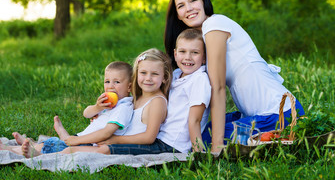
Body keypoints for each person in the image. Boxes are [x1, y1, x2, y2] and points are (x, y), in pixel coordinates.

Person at [164, 0, 305, 152]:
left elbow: (218, 87)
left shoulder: (215, 24)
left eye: (193, 0)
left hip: (279, 113)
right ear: (178, 15)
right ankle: (265, 137)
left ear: (203, 2)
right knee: (203, 129)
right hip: (257, 114)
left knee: (206, 137)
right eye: (181, 5)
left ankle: (280, 136)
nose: (189, 8)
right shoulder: (200, 43)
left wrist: (217, 148)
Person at [1, 61, 134, 157]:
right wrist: (97, 107)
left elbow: (106, 133)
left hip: (88, 144)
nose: (110, 86)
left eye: (117, 82)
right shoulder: (108, 103)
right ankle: (26, 144)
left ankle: (14, 150)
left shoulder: (123, 108)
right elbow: (86, 114)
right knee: (56, 143)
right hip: (82, 139)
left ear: (129, 87)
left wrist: (77, 140)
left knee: (53, 146)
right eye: (107, 81)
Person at [62, 48, 175, 155]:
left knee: (71, 151)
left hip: (126, 144)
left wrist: (116, 140)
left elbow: (149, 137)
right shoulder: (136, 98)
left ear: (164, 77)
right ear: (136, 74)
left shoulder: (157, 102)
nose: (148, 78)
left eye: (154, 74)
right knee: (67, 148)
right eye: (143, 73)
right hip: (115, 141)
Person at [157, 28, 211, 153]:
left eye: (195, 53)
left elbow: (195, 120)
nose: (188, 57)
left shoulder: (199, 79)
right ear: (175, 55)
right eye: (182, 51)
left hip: (174, 145)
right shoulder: (176, 74)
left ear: (204, 58)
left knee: (114, 149)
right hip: (161, 136)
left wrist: (198, 154)